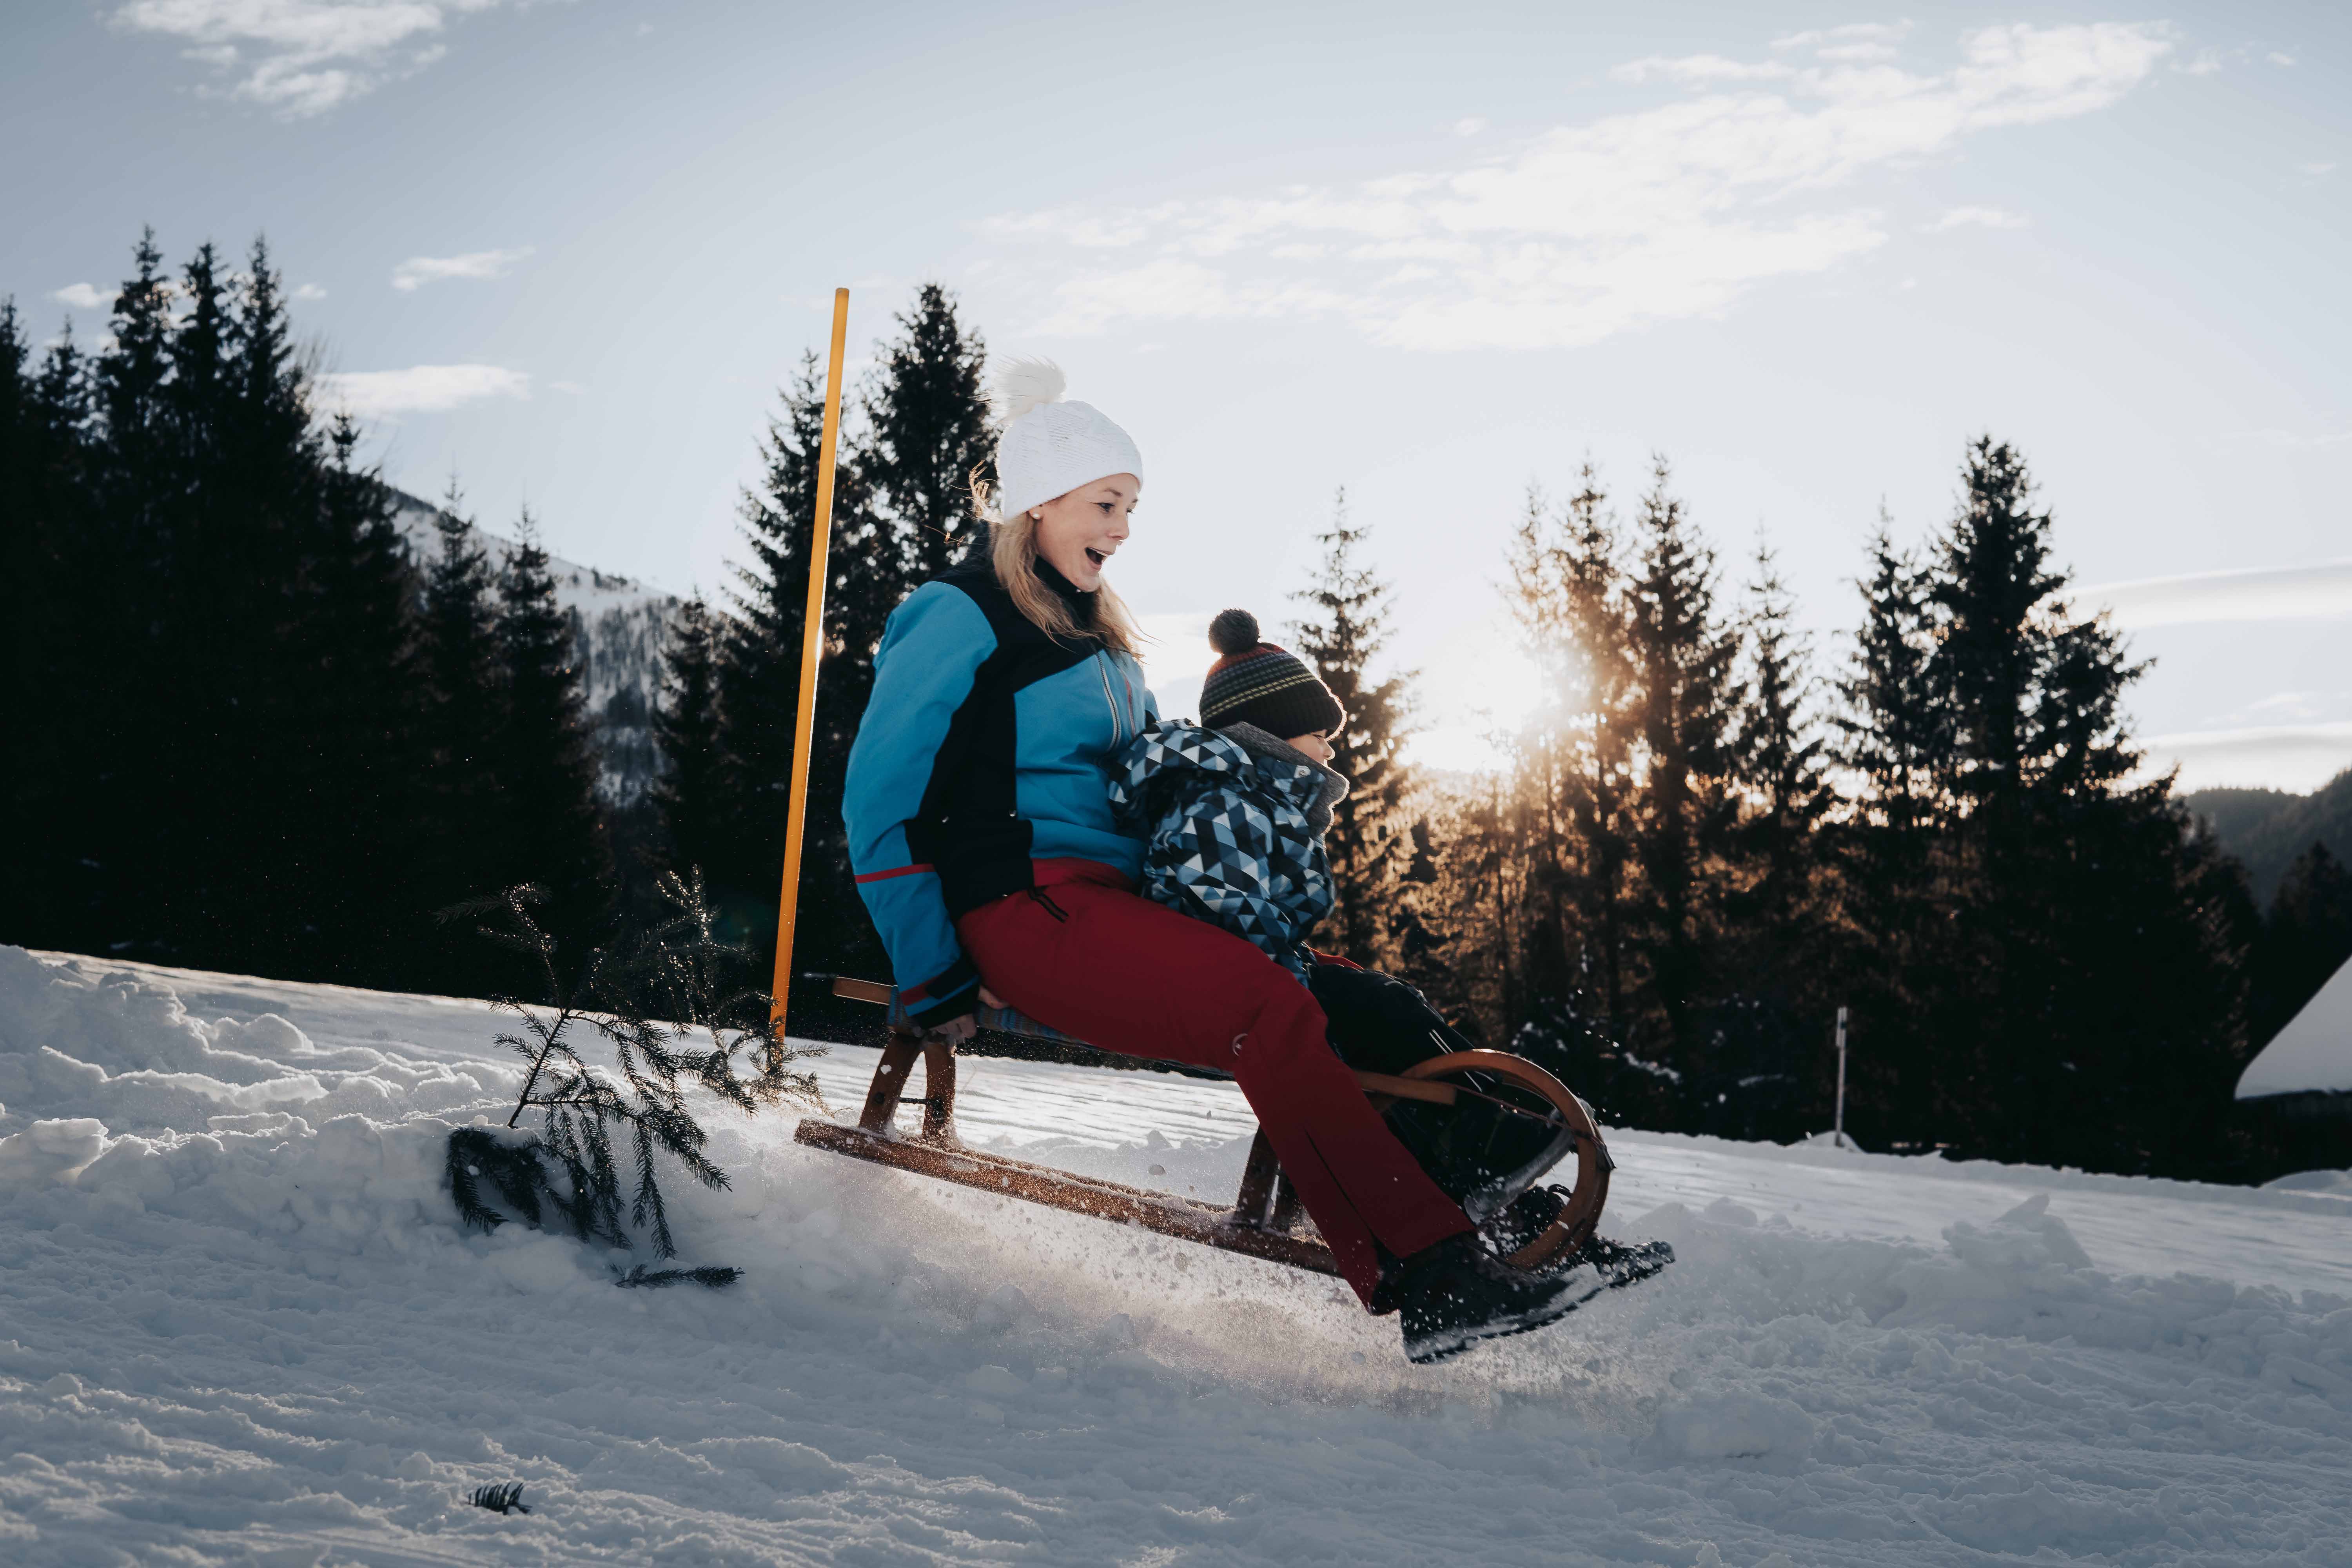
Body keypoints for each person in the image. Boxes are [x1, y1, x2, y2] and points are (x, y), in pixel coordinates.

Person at [842, 359, 1586, 1363]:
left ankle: (1509, 1226)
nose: (1125, 527)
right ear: (1039, 503)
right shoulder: (960, 611)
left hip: (1121, 905)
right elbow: (878, 796)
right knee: (1262, 1006)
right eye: (1109, 503)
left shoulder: (1103, 640)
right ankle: (1433, 1271)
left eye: (1133, 506)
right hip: (1021, 907)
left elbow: (1157, 779)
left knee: (1358, 1002)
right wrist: (930, 967)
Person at [1106, 611, 1573, 1250]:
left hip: (1249, 976)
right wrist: (1293, 970)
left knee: (1387, 1005)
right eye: (1317, 735)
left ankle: (1496, 1163)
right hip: (1220, 991)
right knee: (1374, 1010)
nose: (1330, 750)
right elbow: (1219, 911)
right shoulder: (1221, 802)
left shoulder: (1249, 800)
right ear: (1270, 735)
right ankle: (1481, 1151)